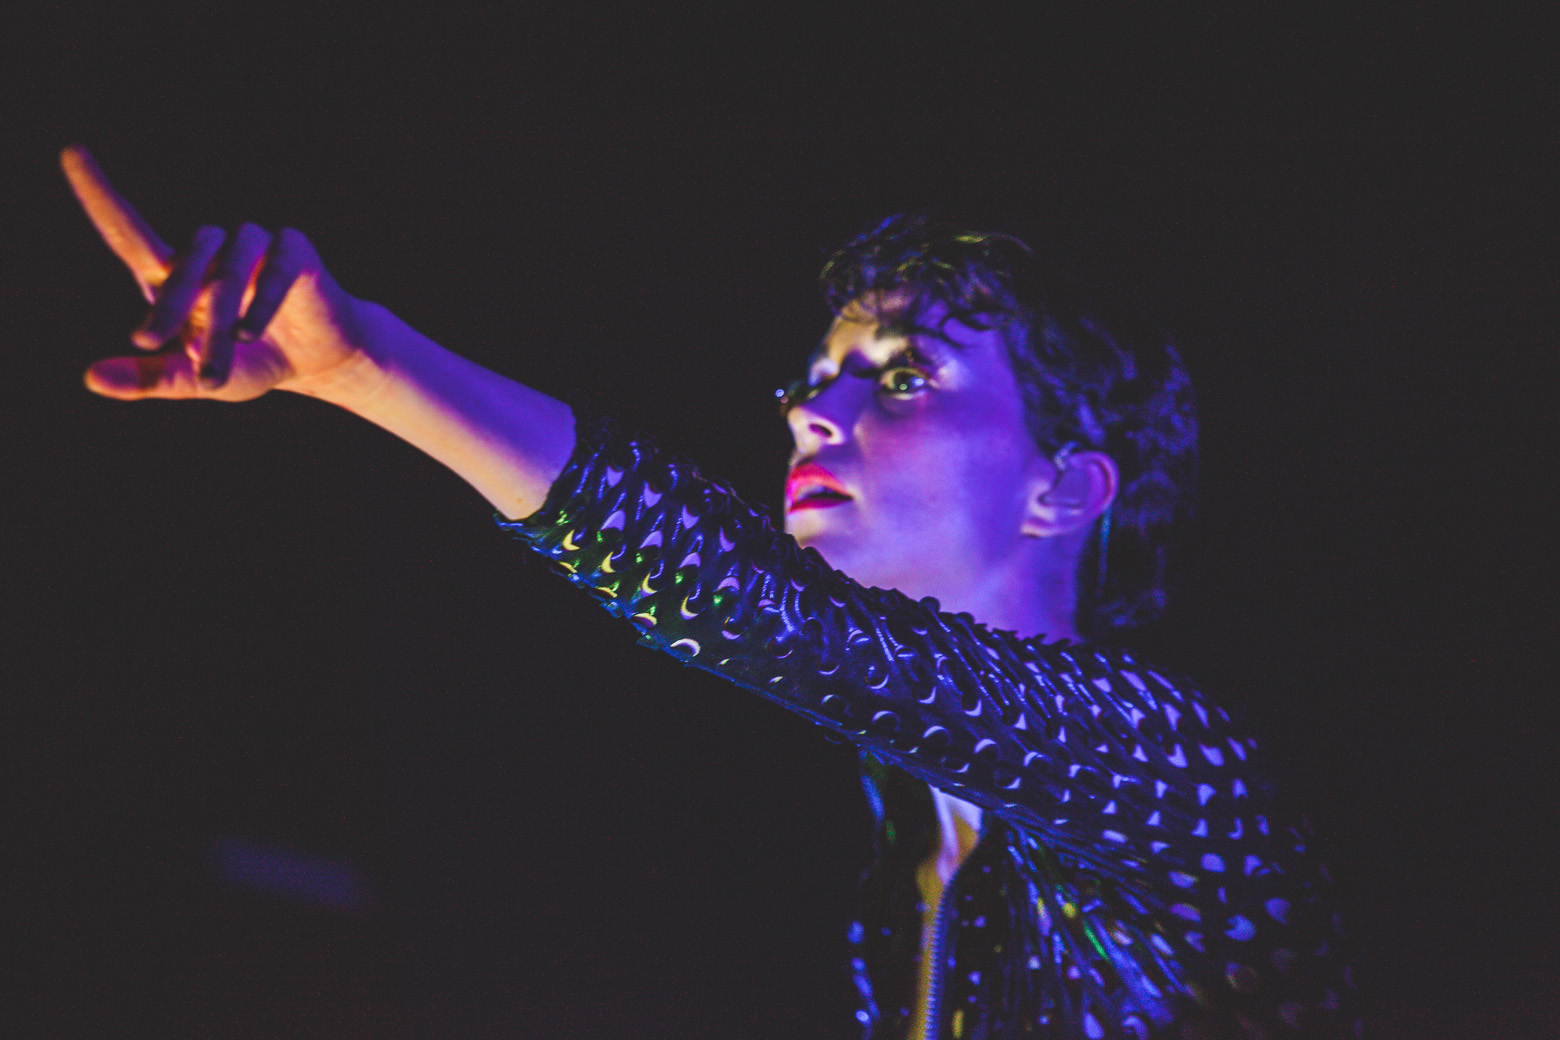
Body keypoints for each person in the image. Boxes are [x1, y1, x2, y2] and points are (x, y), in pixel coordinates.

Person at [61, 145, 1358, 1038]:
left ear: (1063, 490)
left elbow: (746, 603)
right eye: (815, 376)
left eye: (904, 376)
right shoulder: (906, 850)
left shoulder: (1161, 754)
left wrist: (363, 363)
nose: (811, 411)